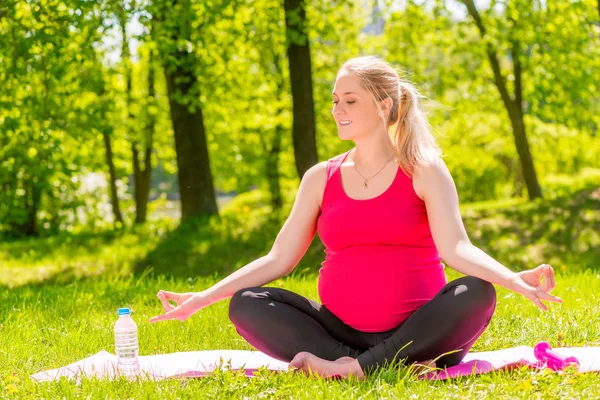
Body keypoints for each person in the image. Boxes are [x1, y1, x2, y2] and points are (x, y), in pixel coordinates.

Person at [149, 56, 562, 380]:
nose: (337, 109)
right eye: (334, 100)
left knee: (477, 292)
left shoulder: (424, 170)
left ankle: (357, 368)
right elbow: (278, 260)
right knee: (248, 304)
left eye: (350, 101)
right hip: (339, 332)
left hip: (422, 332)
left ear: (384, 106)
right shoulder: (320, 178)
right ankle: (363, 364)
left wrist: (511, 279)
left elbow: (456, 248)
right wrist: (203, 298)